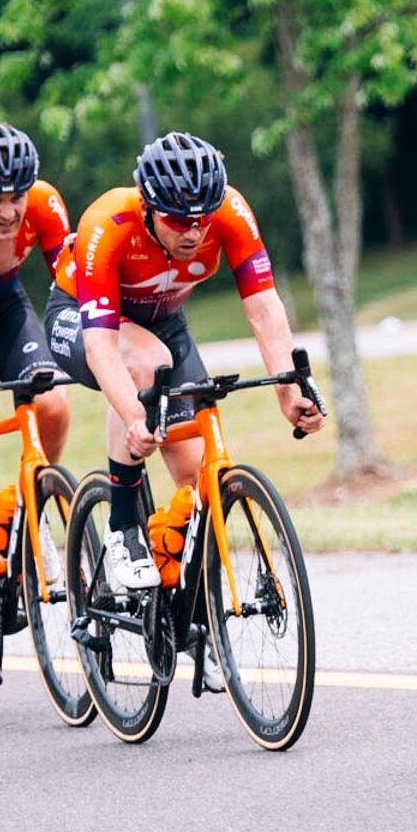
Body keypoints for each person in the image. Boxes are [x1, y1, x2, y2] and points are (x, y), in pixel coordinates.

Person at [45, 131, 324, 689]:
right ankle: (123, 528)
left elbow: (265, 309)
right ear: (148, 207)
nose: (195, 231)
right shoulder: (110, 222)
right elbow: (104, 350)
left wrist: (290, 391)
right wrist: (134, 416)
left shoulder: (230, 212)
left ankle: (198, 622)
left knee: (200, 479)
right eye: (179, 220)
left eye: (203, 218)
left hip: (165, 324)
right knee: (143, 366)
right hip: (83, 318)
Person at [0, 122, 72, 682]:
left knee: (51, 400)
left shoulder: (44, 202)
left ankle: (32, 514)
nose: (9, 211)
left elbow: (75, 279)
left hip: (9, 311)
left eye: (17, 197)